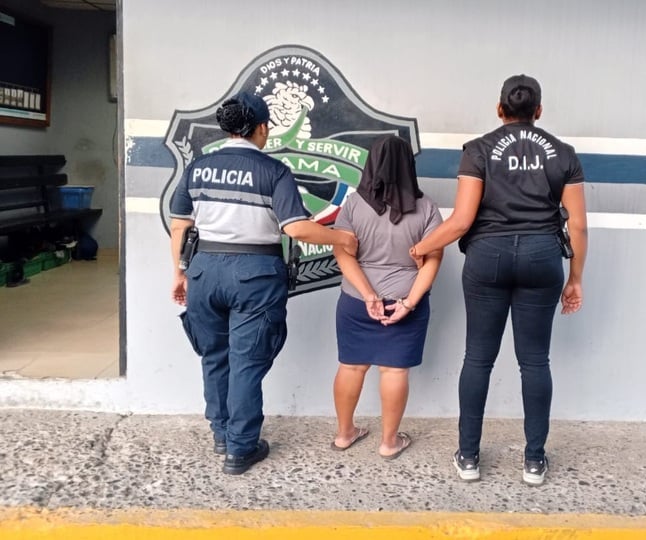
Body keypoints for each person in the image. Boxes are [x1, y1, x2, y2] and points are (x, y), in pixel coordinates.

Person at [410, 75, 588, 486]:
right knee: (535, 361)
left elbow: (461, 221)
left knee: (478, 358)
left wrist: (422, 247)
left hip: (487, 257)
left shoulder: (478, 150)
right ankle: (533, 461)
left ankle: (469, 457)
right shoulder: (563, 154)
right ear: (539, 111)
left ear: (499, 109)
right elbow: (577, 225)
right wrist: (575, 278)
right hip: (542, 258)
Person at [169, 91, 357, 475]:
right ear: (261, 129)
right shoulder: (274, 172)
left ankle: (221, 433)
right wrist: (343, 238)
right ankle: (240, 447)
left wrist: (180, 272)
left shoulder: (199, 167)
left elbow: (180, 223)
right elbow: (297, 228)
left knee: (215, 355)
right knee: (247, 362)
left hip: (204, 269)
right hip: (253, 273)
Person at [330, 135, 443, 459]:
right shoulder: (426, 208)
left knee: (351, 367)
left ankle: (344, 434)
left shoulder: (353, 205)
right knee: (393, 372)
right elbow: (433, 258)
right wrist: (409, 302)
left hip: (355, 301)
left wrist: (367, 295)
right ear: (409, 164)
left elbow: (344, 253)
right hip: (406, 300)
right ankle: (389, 442)